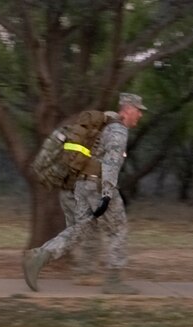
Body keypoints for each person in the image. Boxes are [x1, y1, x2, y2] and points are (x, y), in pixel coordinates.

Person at [22, 93, 147, 294]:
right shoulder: (118, 130)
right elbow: (111, 163)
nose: (140, 115)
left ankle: (40, 256)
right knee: (117, 229)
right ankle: (114, 280)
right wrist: (107, 195)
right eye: (138, 110)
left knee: (79, 230)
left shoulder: (105, 124)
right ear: (128, 109)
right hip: (99, 185)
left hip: (82, 185)